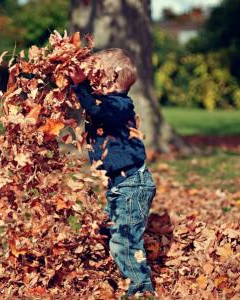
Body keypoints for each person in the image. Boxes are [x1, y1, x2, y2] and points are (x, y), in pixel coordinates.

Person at [69, 48, 157, 298]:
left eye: (96, 78)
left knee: (125, 240)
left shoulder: (119, 105)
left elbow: (97, 109)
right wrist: (75, 85)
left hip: (132, 185)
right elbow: (90, 104)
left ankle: (141, 287)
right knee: (110, 229)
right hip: (120, 185)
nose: (91, 84)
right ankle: (118, 268)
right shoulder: (106, 104)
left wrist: (81, 86)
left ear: (109, 79)